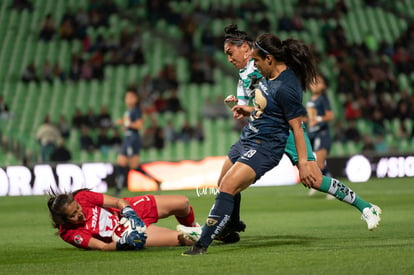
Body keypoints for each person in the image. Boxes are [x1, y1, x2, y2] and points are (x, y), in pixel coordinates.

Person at [182, 32, 381, 256]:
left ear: (249, 50)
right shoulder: (255, 72)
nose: (229, 58)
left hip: (282, 134)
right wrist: (247, 109)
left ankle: (365, 206)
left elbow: (295, 124)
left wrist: (304, 161)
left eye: (231, 53)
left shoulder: (273, 75)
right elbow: (266, 104)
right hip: (257, 131)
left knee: (314, 179)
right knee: (225, 183)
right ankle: (231, 224)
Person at [47, 188, 200, 250]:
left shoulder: (82, 197)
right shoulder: (68, 233)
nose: (79, 213)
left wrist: (130, 213)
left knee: (183, 203)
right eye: (73, 215)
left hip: (129, 210)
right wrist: (124, 242)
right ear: (63, 220)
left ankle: (194, 228)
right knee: (181, 238)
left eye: (77, 208)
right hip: (127, 232)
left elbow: (116, 202)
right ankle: (209, 235)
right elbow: (102, 247)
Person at [114, 89, 160, 196]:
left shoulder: (136, 111)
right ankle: (118, 189)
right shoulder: (128, 111)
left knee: (130, 165)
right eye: (127, 97)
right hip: (127, 139)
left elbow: (139, 125)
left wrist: (125, 123)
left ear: (135, 99)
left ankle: (118, 190)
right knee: (123, 164)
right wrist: (125, 126)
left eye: (130, 97)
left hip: (133, 139)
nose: (127, 99)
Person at [306, 75, 335, 198]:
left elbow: (330, 116)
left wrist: (317, 119)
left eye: (318, 82)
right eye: (313, 81)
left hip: (322, 134)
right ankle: (317, 184)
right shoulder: (310, 99)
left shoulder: (323, 99)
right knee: (314, 163)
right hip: (312, 134)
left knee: (320, 163)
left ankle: (333, 188)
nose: (315, 84)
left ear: (323, 86)